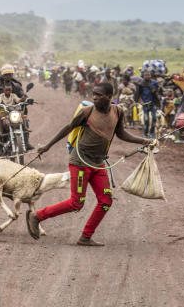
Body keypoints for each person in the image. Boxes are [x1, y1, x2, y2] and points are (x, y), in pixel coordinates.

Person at [27, 81, 152, 246]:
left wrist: (144, 140)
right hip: (80, 162)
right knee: (76, 203)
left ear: (109, 97)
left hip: (98, 163)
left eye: (99, 95)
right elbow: (67, 128)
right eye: (93, 94)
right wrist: (47, 146)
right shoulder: (87, 112)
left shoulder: (118, 111)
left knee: (106, 201)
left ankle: (85, 237)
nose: (94, 98)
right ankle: (37, 216)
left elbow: (121, 133)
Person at [133, 70, 161, 141]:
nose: (147, 76)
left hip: (153, 103)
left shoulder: (154, 83)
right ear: (143, 76)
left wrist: (157, 99)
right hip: (145, 104)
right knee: (146, 120)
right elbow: (138, 94)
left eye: (148, 75)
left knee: (154, 118)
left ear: (150, 75)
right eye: (145, 75)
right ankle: (145, 134)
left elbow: (157, 91)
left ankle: (152, 133)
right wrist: (141, 101)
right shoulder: (141, 84)